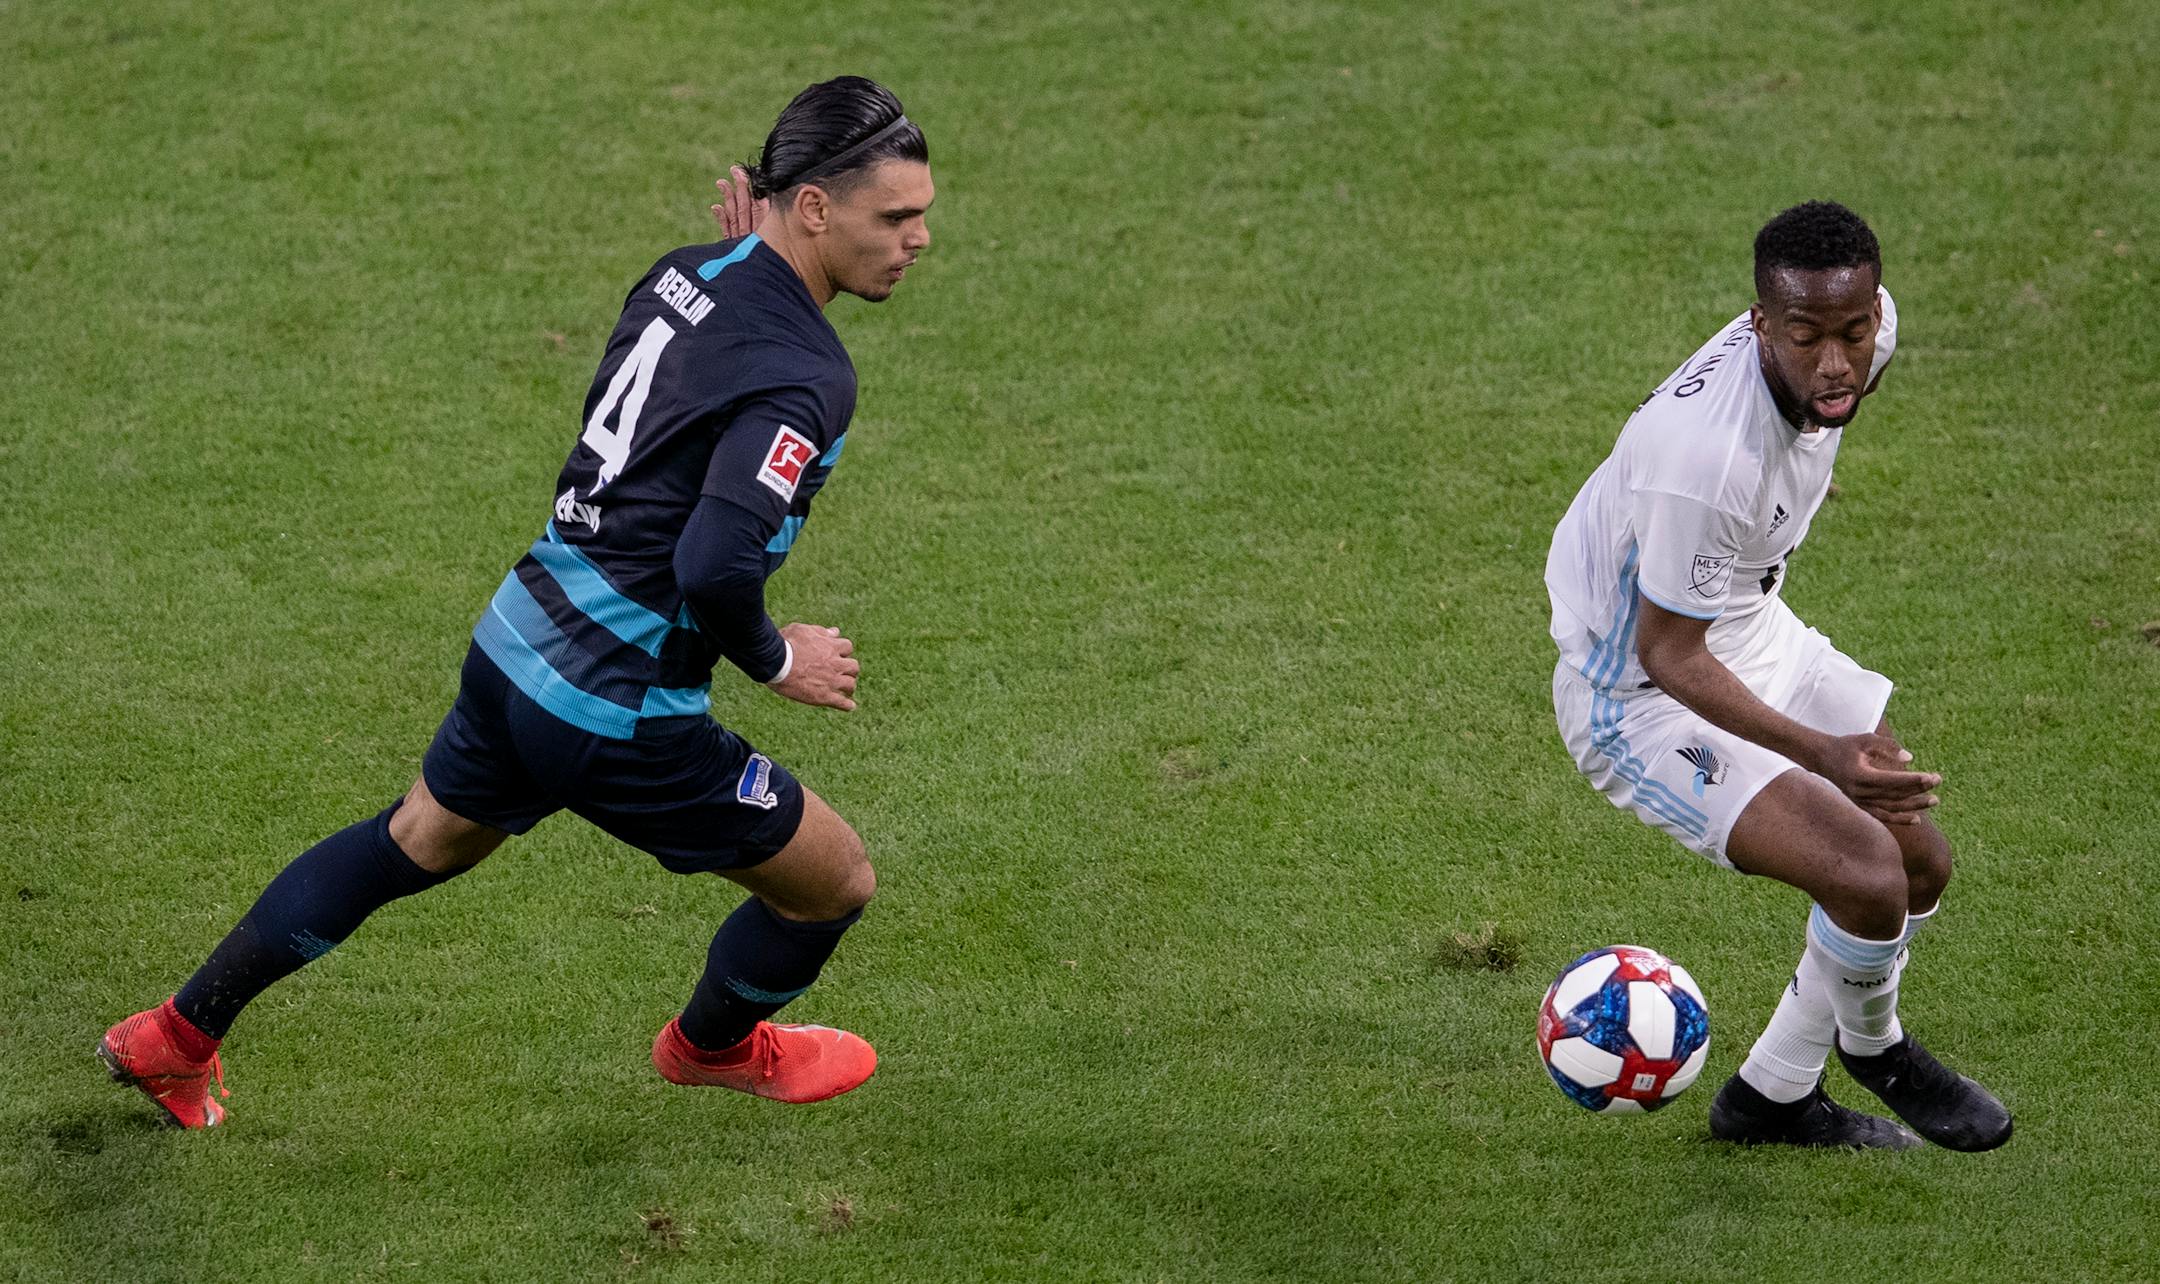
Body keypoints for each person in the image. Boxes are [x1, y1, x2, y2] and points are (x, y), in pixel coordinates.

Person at [97, 76, 935, 1128]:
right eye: (896, 216)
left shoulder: (686, 274)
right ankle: (712, 1048)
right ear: (813, 207)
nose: (920, 238)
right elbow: (713, 564)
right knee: (835, 881)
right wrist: (780, 660)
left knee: (420, 839)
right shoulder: (812, 376)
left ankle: (176, 1035)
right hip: (622, 714)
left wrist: (753, 269)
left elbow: (684, 378)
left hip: (518, 641)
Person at [1544, 201, 2012, 1150]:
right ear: (1761, 323)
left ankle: (1772, 1097)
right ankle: (1875, 1047)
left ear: (1875, 309)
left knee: (1922, 861)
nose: (1836, 362)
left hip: (1746, 618)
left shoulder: (1863, 347)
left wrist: (1794, 476)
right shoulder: (1704, 463)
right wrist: (1823, 756)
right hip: (1635, 695)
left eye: (1853, 329)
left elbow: (1815, 414)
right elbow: (1666, 654)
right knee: (1864, 870)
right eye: (1805, 337)